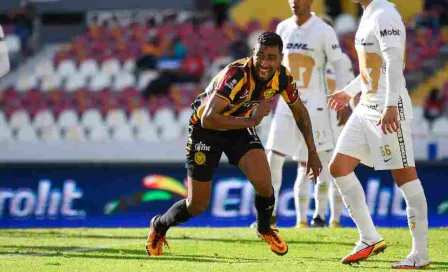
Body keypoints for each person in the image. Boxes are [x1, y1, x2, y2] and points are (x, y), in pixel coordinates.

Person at [145, 31, 322, 257]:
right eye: (260, 55)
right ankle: (159, 226)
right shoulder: (237, 75)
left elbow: (300, 113)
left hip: (238, 126)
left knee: (264, 182)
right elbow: (208, 118)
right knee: (197, 205)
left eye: (271, 57)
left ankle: (264, 228)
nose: (265, 63)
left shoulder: (283, 78)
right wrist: (253, 120)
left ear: (281, 58)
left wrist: (312, 151)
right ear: (253, 54)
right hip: (206, 130)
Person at [327, 0, 430, 268]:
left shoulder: (384, 14)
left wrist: (390, 106)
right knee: (339, 167)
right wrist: (348, 92)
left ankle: (420, 253)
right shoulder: (368, 14)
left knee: (405, 177)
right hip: (366, 107)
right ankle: (369, 238)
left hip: (388, 108)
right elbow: (372, 69)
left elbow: (395, 63)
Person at [264, 0, 350, 229]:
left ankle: (322, 215)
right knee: (273, 157)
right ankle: (268, 214)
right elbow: (273, 66)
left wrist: (343, 101)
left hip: (316, 106)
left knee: (320, 161)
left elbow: (339, 64)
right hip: (286, 103)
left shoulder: (323, 30)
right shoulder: (283, 28)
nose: (295, 3)